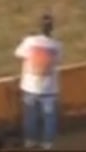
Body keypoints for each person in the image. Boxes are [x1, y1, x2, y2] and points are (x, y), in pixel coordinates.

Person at [16, 13, 62, 151]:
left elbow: (18, 54)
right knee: (49, 117)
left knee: (30, 116)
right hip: (49, 89)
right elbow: (58, 61)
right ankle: (47, 143)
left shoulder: (30, 41)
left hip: (30, 86)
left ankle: (30, 141)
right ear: (52, 28)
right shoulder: (57, 45)